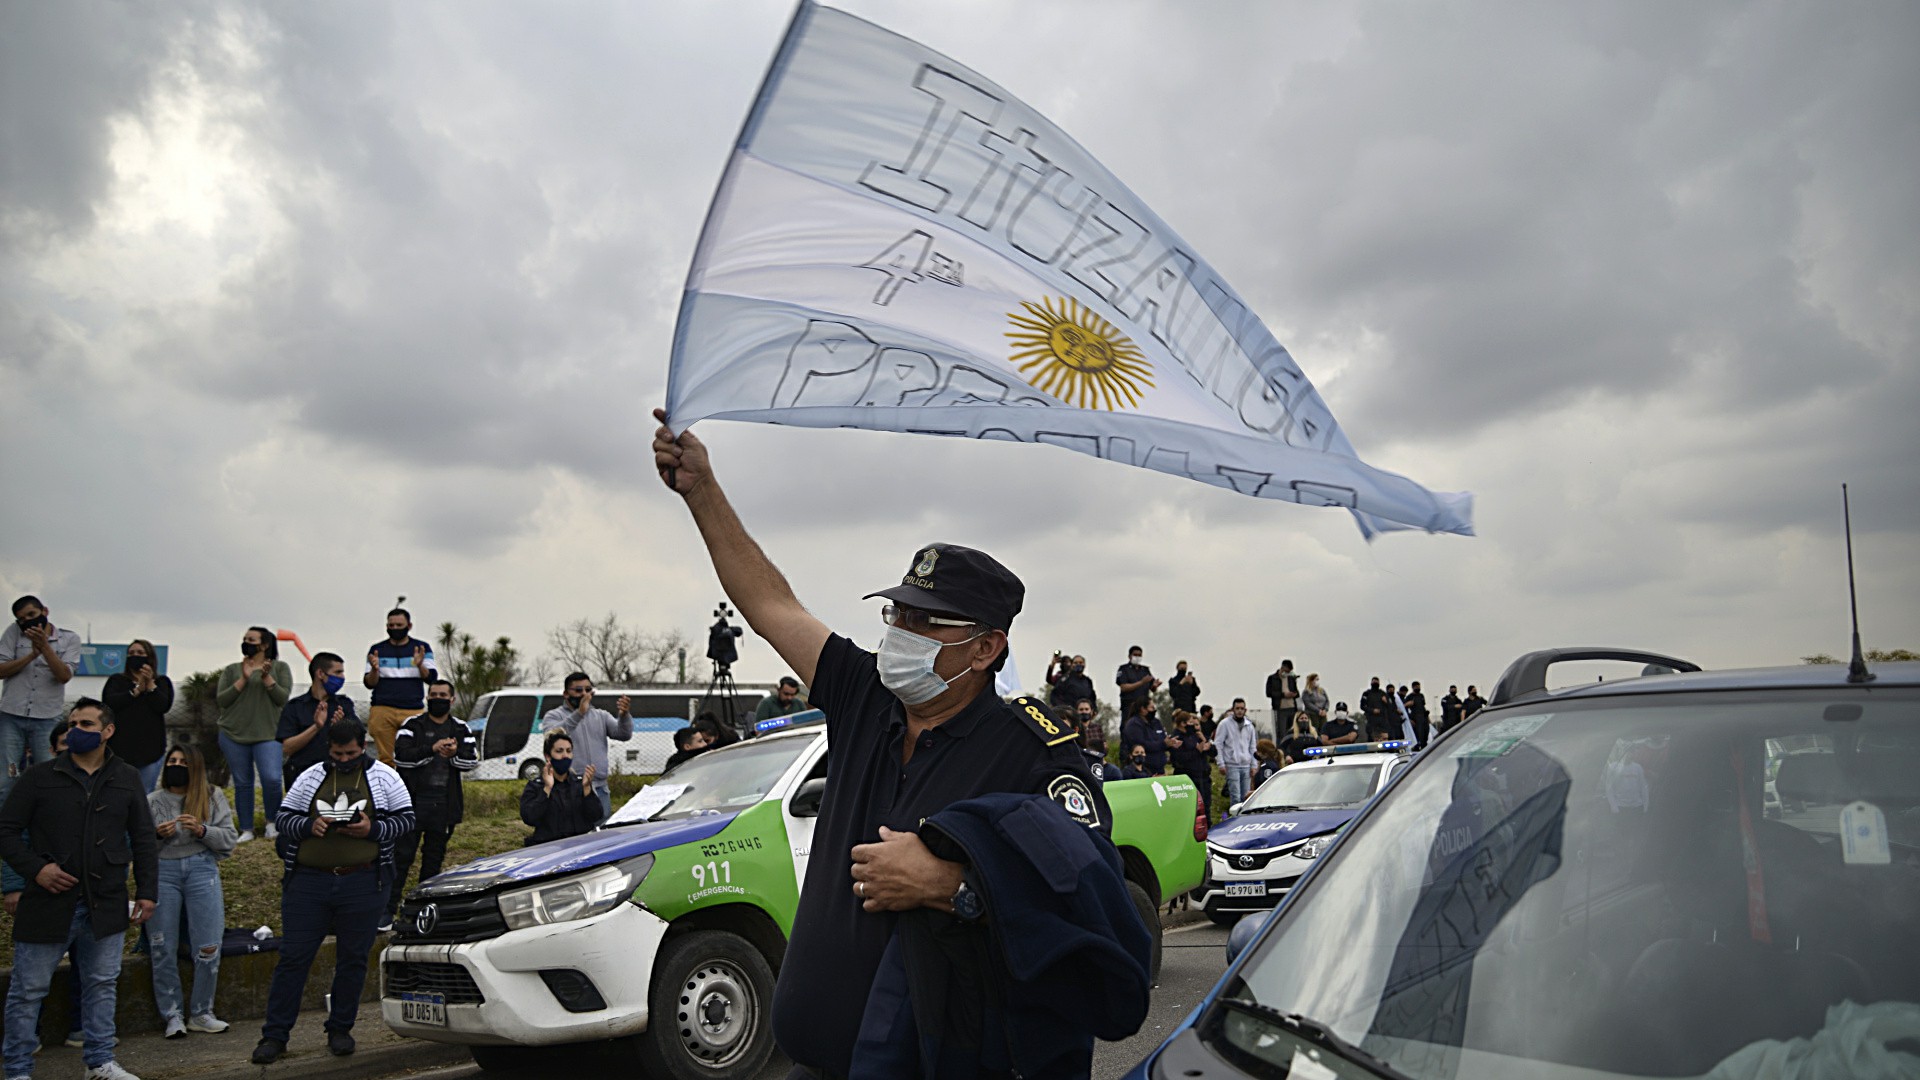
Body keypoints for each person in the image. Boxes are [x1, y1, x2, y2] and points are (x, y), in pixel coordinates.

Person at [653, 411, 1118, 1079]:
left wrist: (956, 885)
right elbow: (769, 603)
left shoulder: (1034, 752)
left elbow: (1089, 900)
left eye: (926, 622)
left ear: (987, 648)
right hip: (816, 1061)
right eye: (897, 613)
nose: (900, 632)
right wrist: (703, 492)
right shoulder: (865, 694)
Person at [0, 698, 158, 1080]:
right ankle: (18, 1070)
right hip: (48, 903)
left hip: (105, 902)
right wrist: (36, 870)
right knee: (28, 991)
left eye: (86, 723)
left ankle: (99, 1063)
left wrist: (148, 891)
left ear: (107, 731)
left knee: (102, 985)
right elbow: (6, 831)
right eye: (72, 722)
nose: (75, 730)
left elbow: (143, 837)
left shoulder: (126, 776)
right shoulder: (39, 776)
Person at [252, 719, 413, 1065]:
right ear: (329, 750)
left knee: (353, 959)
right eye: (338, 754)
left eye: (351, 753)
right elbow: (283, 818)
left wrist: (373, 829)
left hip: (363, 881)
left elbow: (406, 820)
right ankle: (275, 1035)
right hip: (309, 883)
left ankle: (340, 1029)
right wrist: (310, 825)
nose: (344, 759)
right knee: (293, 958)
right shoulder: (311, 776)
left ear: (364, 746)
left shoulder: (385, 776)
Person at [0, 722, 85, 1052]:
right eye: (65, 742)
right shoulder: (31, 785)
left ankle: (81, 1031)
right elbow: (12, 837)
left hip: (87, 897)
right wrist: (13, 886)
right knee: (31, 979)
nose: (72, 748)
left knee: (89, 973)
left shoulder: (102, 786)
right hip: (40, 896)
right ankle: (22, 1044)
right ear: (52, 750)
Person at [146, 744, 237, 1039]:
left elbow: (229, 840)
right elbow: (137, 848)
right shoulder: (151, 800)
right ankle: (172, 1015)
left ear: (195, 767)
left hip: (202, 870)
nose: (176, 765)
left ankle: (202, 1012)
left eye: (183, 762)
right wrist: (157, 837)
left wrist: (202, 830)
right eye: (171, 760)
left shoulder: (211, 796)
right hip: (163, 872)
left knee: (208, 945)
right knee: (162, 947)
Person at [387, 680, 476, 926]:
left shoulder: (460, 727)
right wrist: (432, 749)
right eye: (433, 694)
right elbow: (400, 757)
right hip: (412, 804)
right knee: (401, 858)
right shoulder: (412, 725)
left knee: (433, 860)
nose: (438, 698)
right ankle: (388, 909)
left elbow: (472, 761)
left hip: (444, 806)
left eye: (443, 695)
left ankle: (421, 912)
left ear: (452, 699)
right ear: (427, 698)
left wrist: (453, 755)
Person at [0, 596, 82, 808]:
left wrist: (44, 648)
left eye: (32, 615)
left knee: (48, 776)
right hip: (12, 714)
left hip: (46, 718)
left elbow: (64, 675)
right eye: (21, 619)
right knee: (7, 778)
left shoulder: (69, 639)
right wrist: (30, 655)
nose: (27, 621)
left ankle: (43, 832)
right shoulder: (13, 633)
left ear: (44, 611)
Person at [215, 627, 291, 843]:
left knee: (272, 779)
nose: (247, 643)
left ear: (265, 645)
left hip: (268, 734)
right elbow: (222, 700)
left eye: (252, 640)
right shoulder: (232, 670)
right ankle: (246, 828)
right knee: (242, 782)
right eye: (245, 639)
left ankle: (272, 823)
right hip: (233, 734)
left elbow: (282, 698)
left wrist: (267, 679)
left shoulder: (280, 668)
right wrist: (244, 679)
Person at [544, 675, 632, 821]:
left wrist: (624, 716)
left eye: (588, 689)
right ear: (566, 694)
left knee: (602, 834)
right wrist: (579, 714)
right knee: (575, 834)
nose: (584, 694)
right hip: (569, 788)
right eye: (578, 690)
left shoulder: (601, 715)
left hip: (599, 787)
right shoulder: (554, 715)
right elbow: (552, 736)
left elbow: (623, 734)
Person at [277, 653, 362, 790]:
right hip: (304, 777)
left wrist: (341, 728)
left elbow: (359, 742)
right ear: (320, 674)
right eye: (337, 672)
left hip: (338, 776)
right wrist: (316, 727)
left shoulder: (344, 705)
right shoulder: (295, 707)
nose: (342, 677)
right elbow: (288, 748)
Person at [363, 609, 436, 767]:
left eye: (399, 625)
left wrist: (420, 664)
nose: (395, 628)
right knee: (387, 759)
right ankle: (388, 789)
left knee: (414, 755)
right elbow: (369, 683)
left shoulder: (421, 648)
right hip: (383, 708)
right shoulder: (377, 650)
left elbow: (431, 678)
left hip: (412, 709)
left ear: (409, 626)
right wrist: (375, 669)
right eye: (391, 625)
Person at [102, 640, 173, 794]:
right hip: (119, 749)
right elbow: (109, 703)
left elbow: (163, 706)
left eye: (140, 653)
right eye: (132, 653)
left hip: (151, 750)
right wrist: (136, 691)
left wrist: (150, 686)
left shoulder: (162, 682)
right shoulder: (117, 681)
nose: (135, 656)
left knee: (145, 793)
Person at [519, 732, 601, 845]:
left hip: (580, 845)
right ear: (548, 756)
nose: (565, 756)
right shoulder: (536, 786)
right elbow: (530, 818)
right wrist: (547, 789)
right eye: (559, 751)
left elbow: (596, 815)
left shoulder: (579, 782)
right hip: (550, 847)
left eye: (568, 751)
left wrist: (587, 788)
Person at [1166, 710, 1213, 819]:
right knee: (1190, 810)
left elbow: (1212, 750)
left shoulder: (1194, 735)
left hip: (1201, 776)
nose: (1194, 726)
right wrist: (1197, 751)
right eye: (1191, 723)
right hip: (1187, 778)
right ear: (1183, 723)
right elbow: (1181, 758)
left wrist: (1204, 742)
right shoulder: (1177, 738)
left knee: (1205, 808)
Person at [1215, 698, 1258, 808]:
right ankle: (1235, 820)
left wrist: (1254, 765)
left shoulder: (1249, 726)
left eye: (1242, 708)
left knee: (1247, 796)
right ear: (1233, 709)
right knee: (1235, 796)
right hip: (1232, 764)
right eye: (1237, 708)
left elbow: (1252, 747)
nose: (1239, 711)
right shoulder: (1224, 724)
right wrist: (1221, 763)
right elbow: (1218, 744)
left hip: (1246, 765)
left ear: (1245, 710)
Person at [1120, 697, 1172, 775]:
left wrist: (1170, 743)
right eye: (1152, 707)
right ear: (1143, 709)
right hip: (1143, 769)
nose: (1154, 710)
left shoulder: (1156, 722)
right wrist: (1163, 744)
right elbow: (1141, 744)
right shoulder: (1134, 724)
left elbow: (1163, 738)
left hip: (1160, 768)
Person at [1115, 646, 1156, 719]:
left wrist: (1155, 686)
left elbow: (1152, 688)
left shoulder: (1145, 670)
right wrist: (1141, 682)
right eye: (1135, 655)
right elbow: (1123, 687)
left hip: (1144, 707)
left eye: (1139, 655)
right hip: (1129, 706)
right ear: (1129, 656)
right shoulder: (1124, 669)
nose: (1137, 657)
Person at [1265, 660, 1299, 733]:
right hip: (1280, 709)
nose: (1288, 673)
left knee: (1292, 731)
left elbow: (1297, 692)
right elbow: (1269, 693)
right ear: (1282, 668)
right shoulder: (1272, 678)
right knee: (1282, 732)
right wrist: (1283, 695)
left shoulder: (1291, 678)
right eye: (1287, 671)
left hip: (1292, 708)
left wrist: (1293, 694)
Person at [1359, 677, 1391, 742]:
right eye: (1374, 682)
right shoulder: (1366, 693)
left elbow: (1390, 706)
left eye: (1377, 682)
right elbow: (1362, 706)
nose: (1375, 683)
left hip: (1382, 720)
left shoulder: (1382, 693)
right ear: (1371, 683)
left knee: (1385, 738)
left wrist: (1386, 701)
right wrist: (1372, 710)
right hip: (1371, 720)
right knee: (1372, 739)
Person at [1405, 681, 1431, 749]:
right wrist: (1410, 719)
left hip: (1424, 717)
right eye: (1416, 687)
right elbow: (1405, 708)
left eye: (1419, 687)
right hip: (1416, 718)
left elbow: (1423, 706)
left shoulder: (1421, 695)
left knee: (1426, 733)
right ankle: (1418, 747)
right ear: (1413, 687)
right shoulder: (1409, 697)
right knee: (1419, 734)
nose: (1418, 688)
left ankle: (1425, 746)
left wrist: (1428, 718)